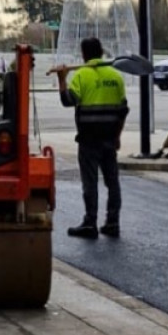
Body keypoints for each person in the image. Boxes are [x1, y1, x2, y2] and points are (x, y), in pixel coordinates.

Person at [48, 37, 129, 239]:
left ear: (84, 54)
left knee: (90, 182)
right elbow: (122, 111)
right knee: (112, 182)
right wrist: (117, 136)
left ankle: (90, 223)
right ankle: (113, 222)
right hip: (110, 138)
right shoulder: (116, 77)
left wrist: (61, 79)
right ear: (101, 52)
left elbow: (68, 101)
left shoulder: (81, 76)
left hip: (88, 139)